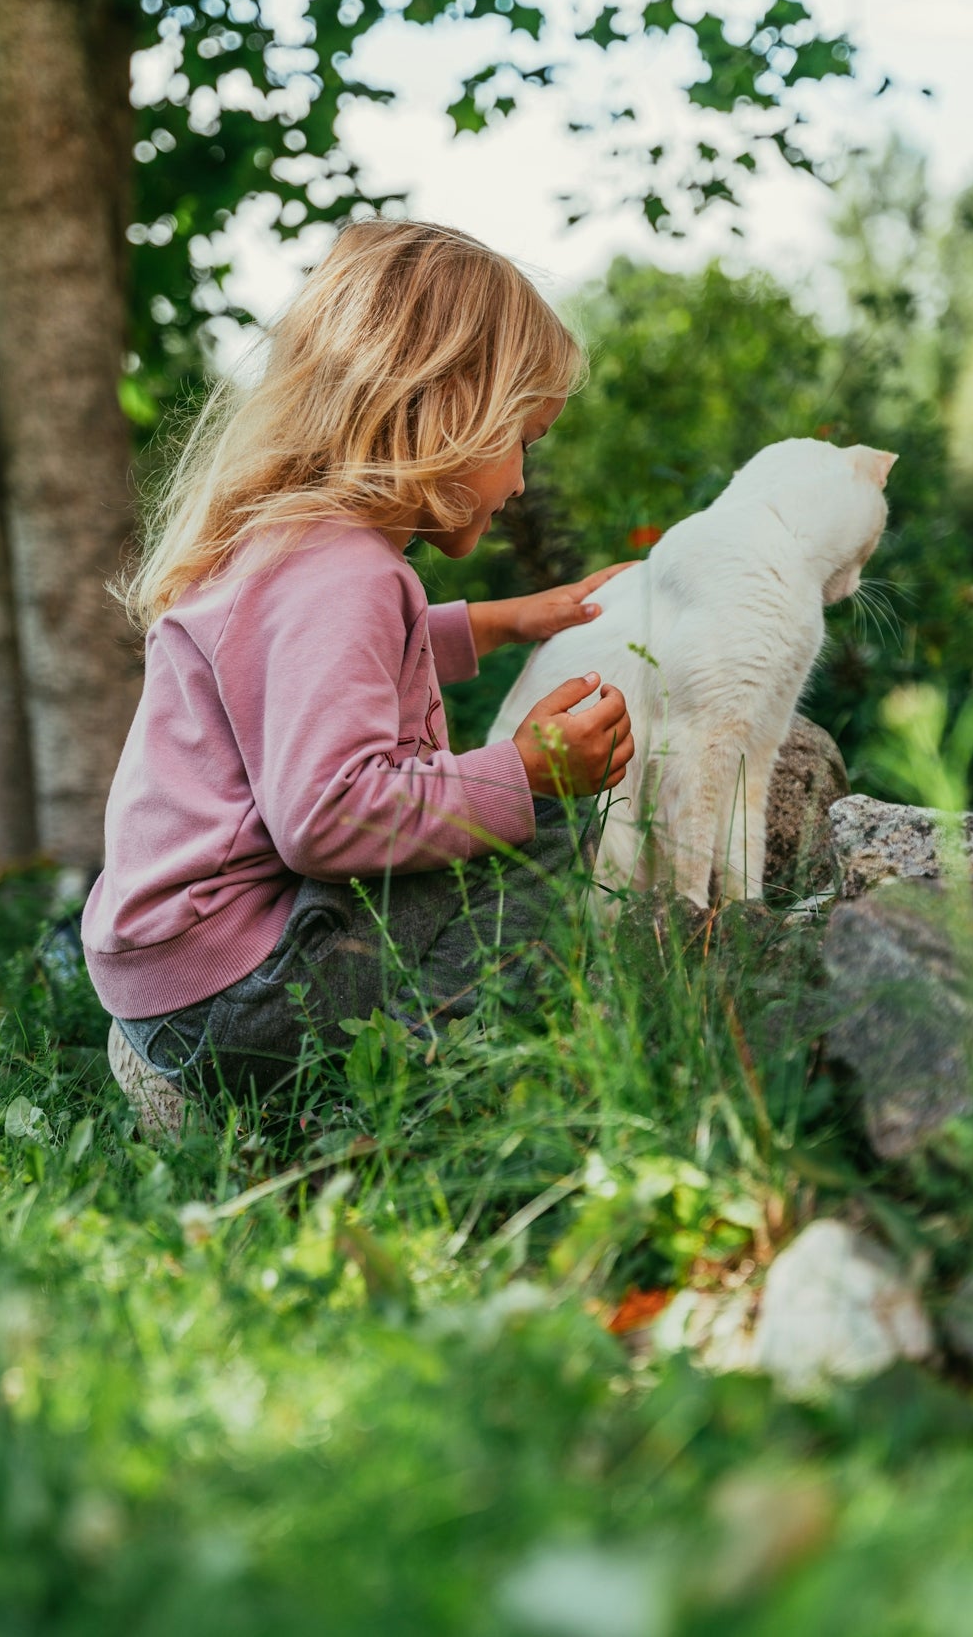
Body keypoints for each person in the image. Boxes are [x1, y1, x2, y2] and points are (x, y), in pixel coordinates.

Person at [83, 218, 634, 1134]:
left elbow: (344, 668)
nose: (523, 484)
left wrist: (509, 620)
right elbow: (328, 820)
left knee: (488, 823)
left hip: (177, 986)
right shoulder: (344, 575)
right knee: (544, 828)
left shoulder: (299, 549)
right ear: (445, 406)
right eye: (521, 444)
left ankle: (216, 1079)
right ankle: (408, 1095)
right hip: (235, 1003)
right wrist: (526, 773)